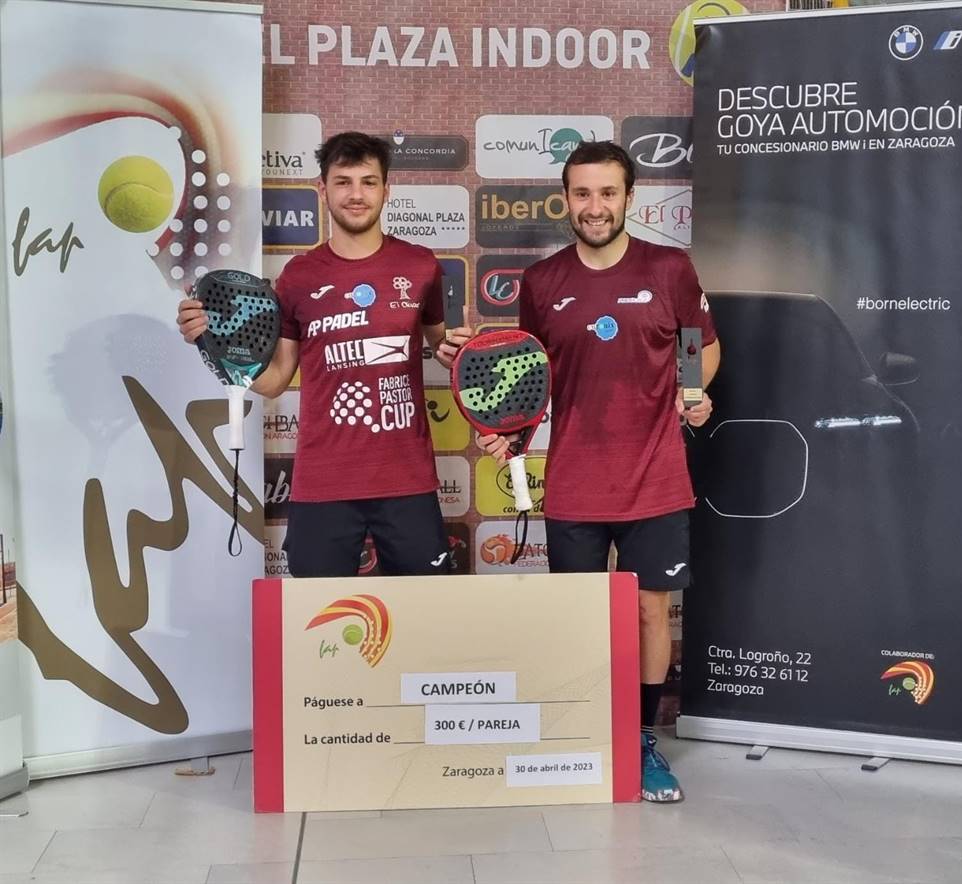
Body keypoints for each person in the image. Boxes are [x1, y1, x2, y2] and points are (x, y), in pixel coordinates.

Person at [478, 141, 720, 802]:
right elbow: (528, 374)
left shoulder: (669, 268)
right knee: (581, 616)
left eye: (607, 193)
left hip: (655, 477)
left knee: (648, 612)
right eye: (582, 193)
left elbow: (697, 343)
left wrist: (692, 392)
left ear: (628, 198)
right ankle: (586, 733)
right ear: (566, 199)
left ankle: (640, 740)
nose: (595, 207)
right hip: (575, 482)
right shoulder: (541, 282)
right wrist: (511, 435)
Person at [178, 131, 471, 577]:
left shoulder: (420, 265)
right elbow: (275, 380)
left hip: (406, 479)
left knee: (423, 613)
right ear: (323, 189)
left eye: (368, 182)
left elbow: (444, 347)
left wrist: (460, 350)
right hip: (323, 482)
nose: (356, 195)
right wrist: (209, 340)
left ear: (386, 190)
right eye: (343, 182)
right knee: (315, 617)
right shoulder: (298, 276)